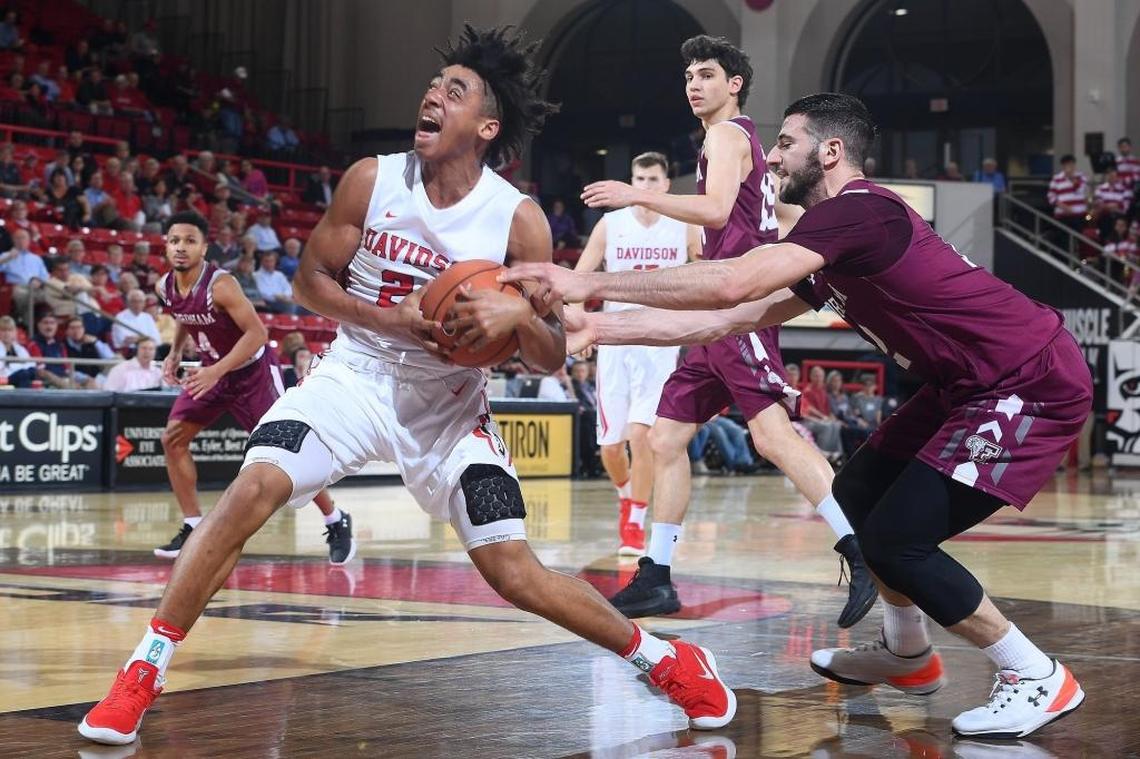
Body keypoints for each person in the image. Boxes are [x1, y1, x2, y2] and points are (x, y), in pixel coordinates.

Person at [79, 27, 735, 747]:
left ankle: (664, 658)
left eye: (455, 91)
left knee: (512, 569)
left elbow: (549, 357)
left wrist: (521, 312)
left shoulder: (515, 218)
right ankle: (144, 667)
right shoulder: (372, 178)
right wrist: (384, 316)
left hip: (451, 408)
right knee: (251, 489)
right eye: (433, 86)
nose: (433, 95)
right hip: (353, 376)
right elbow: (309, 282)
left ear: (486, 127)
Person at [511, 92, 1091, 739]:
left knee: (899, 540)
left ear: (831, 151)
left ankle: (1035, 672)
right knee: (858, 491)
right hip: (966, 383)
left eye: (786, 143)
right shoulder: (835, 241)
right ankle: (907, 653)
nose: (774, 156)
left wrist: (591, 282)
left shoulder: (859, 212)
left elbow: (732, 282)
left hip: (1028, 379)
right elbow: (725, 320)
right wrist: (601, 326)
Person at [574, 35, 874, 625]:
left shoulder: (726, 135)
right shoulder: (746, 142)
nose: (693, 84)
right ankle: (656, 574)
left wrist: (639, 194)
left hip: (738, 304)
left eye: (706, 74)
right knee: (664, 441)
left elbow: (714, 212)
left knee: (773, 437)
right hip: (714, 311)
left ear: (734, 85)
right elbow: (757, 213)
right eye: (688, 75)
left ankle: (861, 549)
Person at [134, 212, 348, 563]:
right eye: (175, 241)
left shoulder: (221, 284)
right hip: (213, 372)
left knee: (287, 456)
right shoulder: (164, 286)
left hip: (252, 374)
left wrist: (215, 370)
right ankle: (191, 525)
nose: (181, 248)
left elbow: (258, 334)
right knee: (172, 438)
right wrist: (174, 353)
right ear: (166, 246)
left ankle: (335, 519)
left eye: (190, 241)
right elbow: (184, 316)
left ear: (204, 247)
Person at [571, 151, 700, 554]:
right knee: (611, 447)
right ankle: (627, 494)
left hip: (660, 343)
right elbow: (576, 281)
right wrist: (578, 323)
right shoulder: (611, 226)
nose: (644, 186)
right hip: (614, 341)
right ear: (631, 182)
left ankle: (635, 520)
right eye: (638, 179)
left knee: (641, 435)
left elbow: (706, 274)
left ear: (665, 184)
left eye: (652, 179)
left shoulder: (684, 226)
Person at [1047, 154, 1089, 236]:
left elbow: (1081, 190)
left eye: (1071, 164)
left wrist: (1072, 178)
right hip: (1062, 215)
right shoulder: (1056, 178)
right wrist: (1062, 206)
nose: (1070, 167)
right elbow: (1051, 196)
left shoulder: (1081, 176)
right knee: (1062, 239)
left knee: (1079, 236)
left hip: (1079, 215)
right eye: (1067, 164)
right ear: (1063, 166)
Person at [0, 315, 36, 387]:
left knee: (32, 372)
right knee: (23, 374)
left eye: (10, 330)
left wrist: (14, 367)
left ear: (15, 332)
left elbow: (31, 364)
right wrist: (19, 367)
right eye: (3, 330)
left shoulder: (19, 348)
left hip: (20, 376)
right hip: (4, 378)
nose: (7, 333)